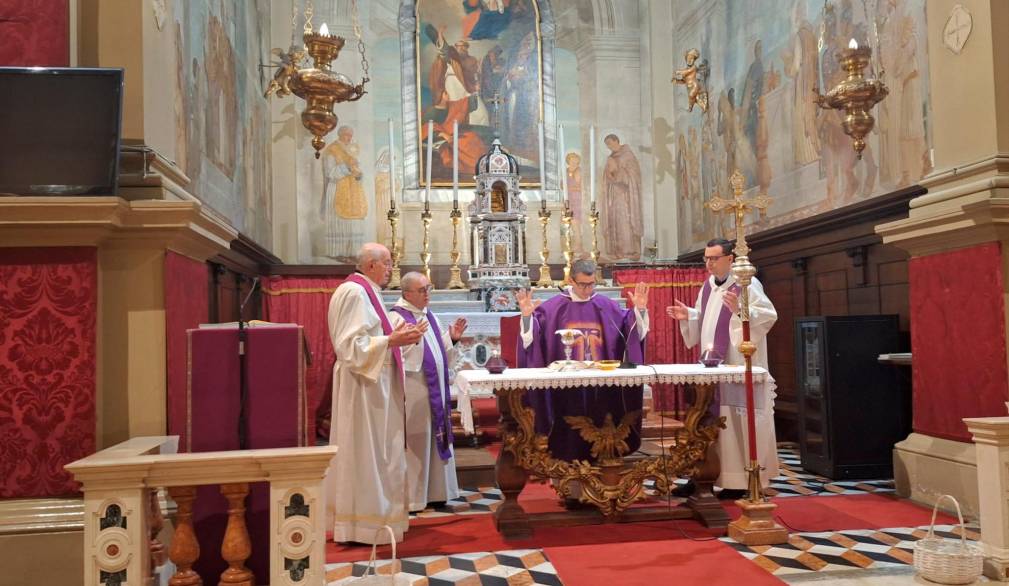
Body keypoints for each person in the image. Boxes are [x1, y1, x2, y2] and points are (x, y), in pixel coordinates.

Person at [326, 243, 428, 544]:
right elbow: (350, 347)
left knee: (378, 453)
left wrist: (402, 336)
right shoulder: (354, 293)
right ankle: (363, 524)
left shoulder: (366, 292)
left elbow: (377, 333)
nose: (390, 269)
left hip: (374, 385)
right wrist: (393, 340)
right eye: (386, 263)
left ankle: (379, 518)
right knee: (365, 453)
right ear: (370, 264)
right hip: (363, 388)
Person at [666, 238, 779, 500]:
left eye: (714, 258)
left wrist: (740, 309)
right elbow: (710, 318)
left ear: (730, 259)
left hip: (737, 368)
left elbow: (768, 315)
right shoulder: (708, 287)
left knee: (735, 424)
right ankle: (704, 477)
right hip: (711, 369)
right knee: (706, 424)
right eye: (706, 258)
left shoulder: (747, 284)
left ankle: (737, 482)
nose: (708, 263)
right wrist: (691, 316)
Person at [515, 260, 650, 477]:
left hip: (601, 388)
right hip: (566, 391)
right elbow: (532, 340)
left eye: (592, 284)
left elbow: (630, 331)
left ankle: (603, 475)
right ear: (571, 281)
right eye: (583, 285)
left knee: (601, 426)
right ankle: (568, 479)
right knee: (569, 438)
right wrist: (527, 317)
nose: (588, 290)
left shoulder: (605, 305)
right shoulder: (552, 308)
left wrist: (640, 311)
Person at [390, 272, 467, 512]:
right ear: (407, 293)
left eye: (428, 288)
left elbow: (436, 352)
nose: (427, 294)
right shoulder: (395, 318)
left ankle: (437, 492)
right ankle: (414, 498)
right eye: (422, 290)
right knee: (418, 440)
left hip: (433, 389)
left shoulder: (428, 316)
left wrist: (451, 340)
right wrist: (411, 341)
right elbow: (393, 355)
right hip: (413, 390)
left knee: (435, 435)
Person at [601, 134, 643, 260]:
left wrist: (618, 172)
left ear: (616, 141)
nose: (609, 147)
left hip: (626, 196)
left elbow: (633, 175)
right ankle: (617, 250)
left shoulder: (628, 155)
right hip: (614, 194)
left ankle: (629, 250)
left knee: (625, 221)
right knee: (615, 221)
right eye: (607, 145)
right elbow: (607, 177)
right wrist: (609, 174)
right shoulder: (611, 157)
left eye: (610, 143)